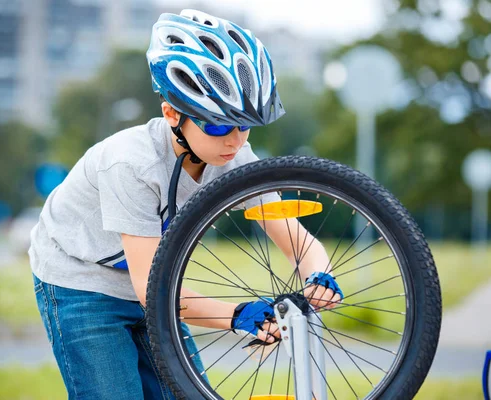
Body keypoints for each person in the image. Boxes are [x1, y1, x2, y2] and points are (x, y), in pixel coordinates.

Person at [29, 9, 343, 400]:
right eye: (216, 125)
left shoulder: (237, 157)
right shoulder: (131, 164)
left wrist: (320, 278)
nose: (233, 140)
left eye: (243, 125)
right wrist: (237, 314)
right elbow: (151, 292)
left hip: (153, 281)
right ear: (172, 113)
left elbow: (298, 240)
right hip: (81, 280)